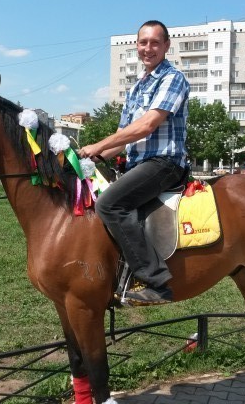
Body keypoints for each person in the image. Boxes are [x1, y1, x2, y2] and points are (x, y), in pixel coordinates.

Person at [79, 20, 189, 305]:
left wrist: (98, 145)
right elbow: (122, 135)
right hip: (138, 163)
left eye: (155, 42)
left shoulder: (172, 78)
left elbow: (147, 126)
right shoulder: (137, 87)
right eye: (143, 43)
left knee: (110, 204)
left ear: (166, 46)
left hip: (165, 162)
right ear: (136, 46)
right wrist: (92, 156)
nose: (148, 48)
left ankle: (156, 282)